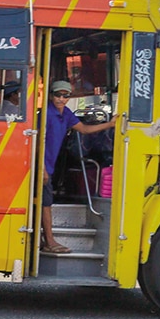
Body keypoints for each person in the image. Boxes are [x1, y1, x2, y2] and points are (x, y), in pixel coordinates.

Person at [41, 80, 116, 254]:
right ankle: (49, 241)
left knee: (45, 202)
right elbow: (36, 142)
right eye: (58, 95)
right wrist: (41, 168)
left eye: (65, 96)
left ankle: (46, 239)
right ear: (51, 95)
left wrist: (110, 125)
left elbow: (83, 129)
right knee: (45, 203)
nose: (61, 99)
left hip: (50, 166)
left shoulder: (66, 114)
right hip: (41, 166)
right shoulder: (45, 114)